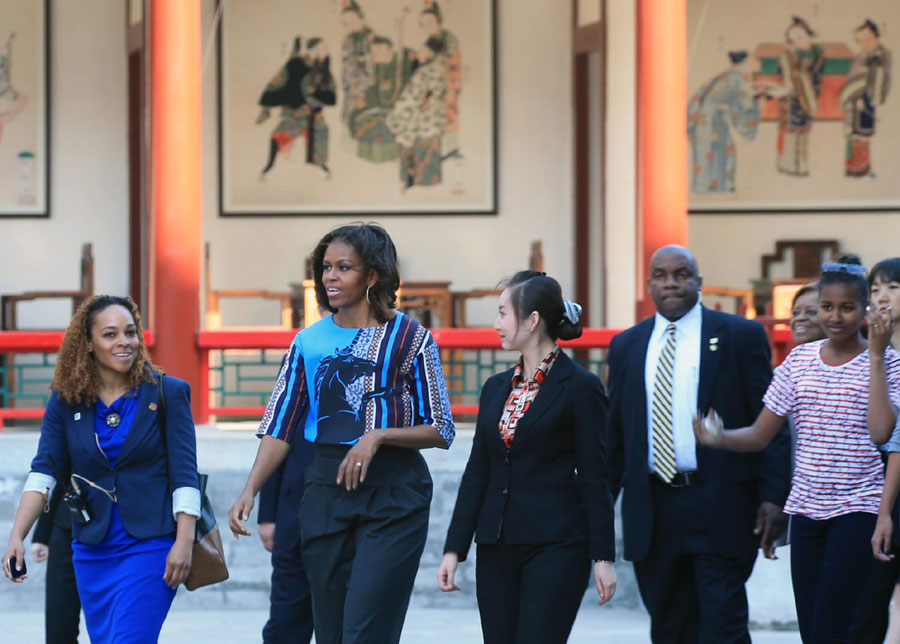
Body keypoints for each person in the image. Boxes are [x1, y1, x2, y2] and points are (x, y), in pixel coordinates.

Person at [228, 223, 455, 644]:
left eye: (343, 267)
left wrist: (378, 436)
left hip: (395, 494)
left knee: (366, 630)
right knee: (331, 632)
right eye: (325, 267)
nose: (330, 276)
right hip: (326, 491)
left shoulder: (411, 338)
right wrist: (250, 490)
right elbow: (281, 424)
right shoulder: (307, 342)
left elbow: (441, 427)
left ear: (372, 275)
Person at [694, 257, 900, 644]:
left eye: (847, 307)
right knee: (811, 629)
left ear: (864, 310)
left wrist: (874, 356)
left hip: (859, 509)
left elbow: (881, 432)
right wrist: (718, 437)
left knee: (831, 626)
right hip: (805, 510)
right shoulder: (800, 360)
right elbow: (759, 434)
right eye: (827, 307)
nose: (835, 317)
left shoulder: (888, 362)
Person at [606, 244, 791, 643]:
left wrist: (775, 496)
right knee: (670, 627)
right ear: (649, 283)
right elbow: (615, 436)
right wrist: (598, 507)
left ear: (699, 282)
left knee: (722, 626)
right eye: (661, 275)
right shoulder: (627, 345)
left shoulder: (740, 336)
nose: (671, 283)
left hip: (722, 502)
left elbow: (771, 420)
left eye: (681, 274)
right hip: (654, 509)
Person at [2, 295, 201, 644]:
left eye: (130, 332)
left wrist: (184, 541)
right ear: (89, 344)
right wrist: (17, 535)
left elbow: (185, 474)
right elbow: (43, 471)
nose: (124, 342)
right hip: (92, 548)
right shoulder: (66, 399)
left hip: (150, 544)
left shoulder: (168, 392)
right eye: (110, 334)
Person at [437, 271, 617, 643]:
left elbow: (596, 474)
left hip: (556, 546)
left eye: (503, 313)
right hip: (496, 548)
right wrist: (454, 548)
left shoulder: (580, 387)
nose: (496, 323)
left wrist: (603, 556)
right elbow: (478, 471)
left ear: (532, 320)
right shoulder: (495, 387)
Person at [851, 257, 900, 644]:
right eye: (876, 289)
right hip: (872, 493)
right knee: (866, 608)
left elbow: (893, 438)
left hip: (887, 494)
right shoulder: (867, 353)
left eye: (893, 288)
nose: (882, 297)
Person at [256, 433, 316, 644]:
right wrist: (267, 517)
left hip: (354, 520)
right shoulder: (295, 398)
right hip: (293, 516)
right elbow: (275, 440)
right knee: (285, 622)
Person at [688, 51, 763, 194]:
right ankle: (716, 191)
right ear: (745, 61)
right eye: (755, 59)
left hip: (705, 121)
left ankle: (708, 190)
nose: (758, 62)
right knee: (720, 154)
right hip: (713, 122)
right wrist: (758, 104)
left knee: (712, 155)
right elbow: (742, 105)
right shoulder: (739, 77)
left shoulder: (727, 75)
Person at [760, 16, 824, 177]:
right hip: (789, 100)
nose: (797, 41)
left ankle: (800, 166)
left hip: (807, 97)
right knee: (789, 133)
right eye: (793, 39)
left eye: (800, 36)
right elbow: (787, 80)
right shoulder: (787, 55)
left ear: (809, 35)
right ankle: (788, 166)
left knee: (802, 134)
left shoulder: (817, 55)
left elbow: (809, 77)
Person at [839, 19, 891, 178]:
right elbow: (852, 78)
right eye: (860, 40)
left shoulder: (882, 54)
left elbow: (880, 80)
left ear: (875, 35)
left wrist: (869, 72)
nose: (864, 43)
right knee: (852, 136)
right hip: (853, 101)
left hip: (865, 100)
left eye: (867, 38)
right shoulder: (860, 55)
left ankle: (862, 170)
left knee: (862, 137)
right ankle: (852, 170)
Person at [30, 485, 81, 644]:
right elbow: (58, 477)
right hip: (68, 526)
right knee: (59, 621)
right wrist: (42, 535)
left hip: (124, 532)